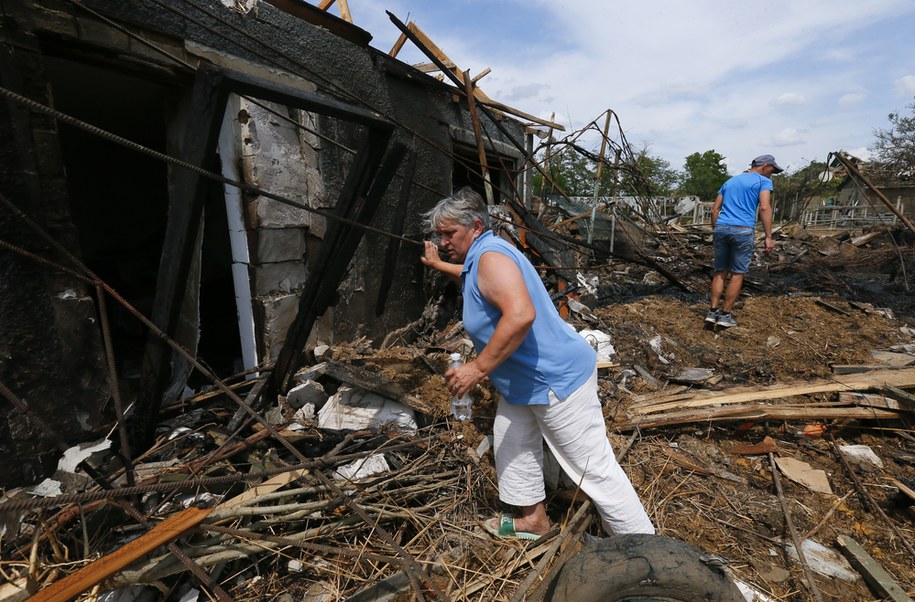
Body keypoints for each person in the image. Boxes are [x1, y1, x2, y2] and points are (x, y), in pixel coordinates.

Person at [420, 187, 654, 539]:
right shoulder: (480, 258)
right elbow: (478, 282)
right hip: (524, 382)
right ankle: (534, 521)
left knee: (593, 470)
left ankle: (645, 552)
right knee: (511, 439)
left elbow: (520, 315)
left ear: (476, 226)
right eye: (439, 235)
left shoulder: (490, 258)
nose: (443, 241)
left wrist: (477, 368)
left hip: (554, 380)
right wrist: (440, 265)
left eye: (449, 233)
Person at [706, 154, 782, 328]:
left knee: (720, 271)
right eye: (773, 170)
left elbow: (714, 210)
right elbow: (764, 207)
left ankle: (712, 312)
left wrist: (716, 229)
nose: (773, 174)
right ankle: (725, 315)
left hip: (722, 228)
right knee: (737, 273)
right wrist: (769, 236)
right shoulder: (763, 181)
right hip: (742, 230)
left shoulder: (730, 181)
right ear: (765, 166)